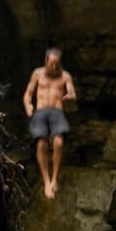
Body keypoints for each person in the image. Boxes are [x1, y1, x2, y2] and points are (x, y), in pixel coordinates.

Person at [23, 47, 76, 199]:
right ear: (46, 61)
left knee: (59, 142)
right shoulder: (37, 73)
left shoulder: (65, 75)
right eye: (51, 63)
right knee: (42, 144)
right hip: (40, 112)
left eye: (57, 64)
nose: (54, 67)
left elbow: (71, 91)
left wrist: (70, 95)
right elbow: (28, 93)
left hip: (57, 112)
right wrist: (28, 105)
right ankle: (46, 181)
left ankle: (54, 179)